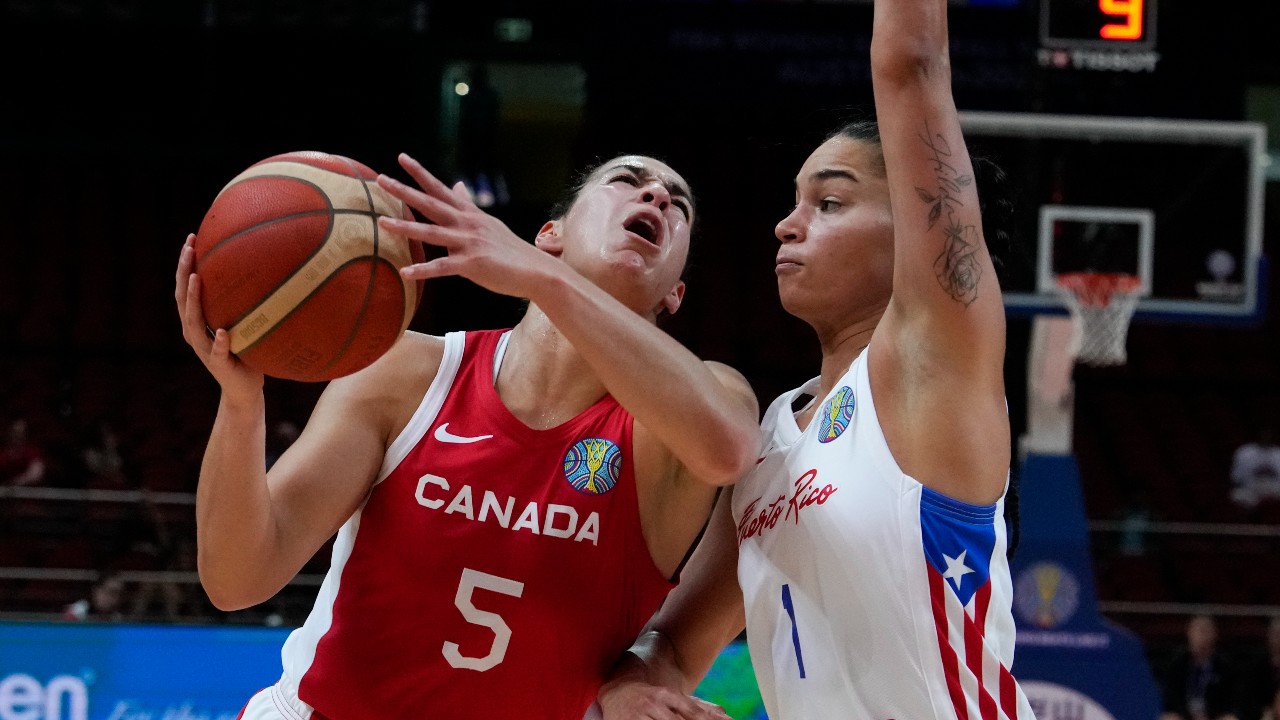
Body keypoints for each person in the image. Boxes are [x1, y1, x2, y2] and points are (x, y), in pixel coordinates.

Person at [175, 151, 761, 719]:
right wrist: (241, 404)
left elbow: (727, 450)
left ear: (675, 293)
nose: (656, 195)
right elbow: (236, 579)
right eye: (626, 181)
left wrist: (549, 283)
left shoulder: (699, 407)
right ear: (549, 235)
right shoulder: (409, 373)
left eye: (676, 204)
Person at [595, 0, 1035, 716]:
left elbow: (911, 63)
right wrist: (635, 687)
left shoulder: (929, 363)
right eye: (795, 201)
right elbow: (673, 649)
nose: (786, 223)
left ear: (914, 235)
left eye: (829, 202)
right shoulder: (772, 434)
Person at [1158, 615, 1243, 720]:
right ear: (1189, 634)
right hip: (1184, 715)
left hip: (1214, 715)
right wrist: (1185, 715)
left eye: (1206, 631)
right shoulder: (1177, 664)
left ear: (1215, 635)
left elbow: (1232, 700)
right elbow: (1171, 698)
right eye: (1198, 631)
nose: (1202, 637)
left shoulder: (1225, 667)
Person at [1230, 424, 1280, 510]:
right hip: (1251, 489)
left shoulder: (1278, 453)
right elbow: (1236, 477)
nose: (1266, 437)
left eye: (1268, 434)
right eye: (1263, 434)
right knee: (1236, 495)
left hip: (1274, 489)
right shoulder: (1244, 452)